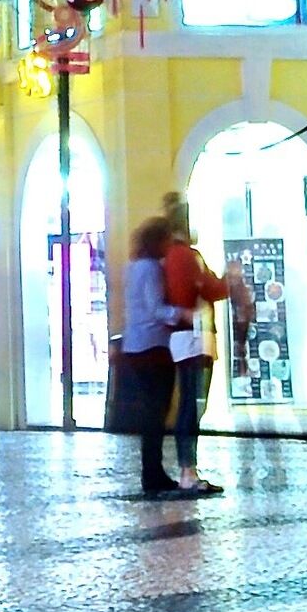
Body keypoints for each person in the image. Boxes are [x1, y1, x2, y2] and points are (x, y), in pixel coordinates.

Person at [158, 195, 240, 498]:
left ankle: (188, 470)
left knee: (192, 405)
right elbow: (207, 288)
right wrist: (228, 280)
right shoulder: (186, 256)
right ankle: (188, 471)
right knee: (194, 405)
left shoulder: (172, 255)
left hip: (187, 338)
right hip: (195, 338)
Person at [111, 211, 181, 497]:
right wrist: (183, 313)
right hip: (153, 346)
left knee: (150, 413)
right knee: (157, 413)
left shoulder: (133, 266)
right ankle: (153, 473)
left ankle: (151, 471)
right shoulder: (151, 269)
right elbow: (156, 309)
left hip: (135, 345)